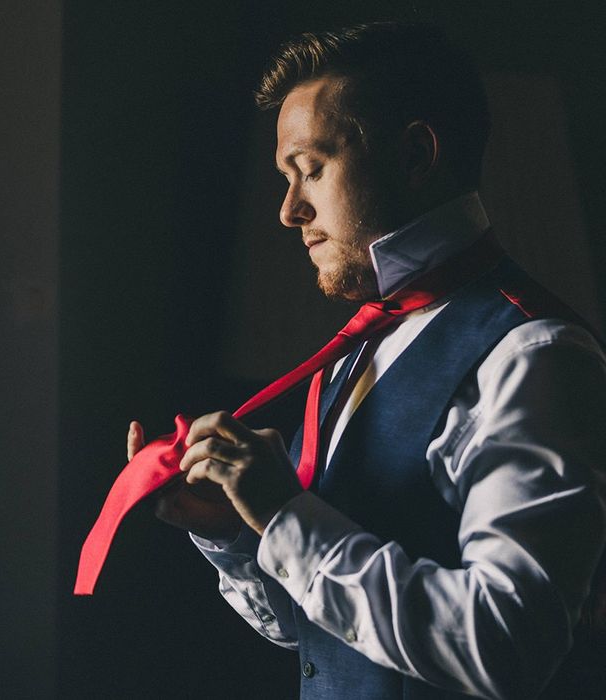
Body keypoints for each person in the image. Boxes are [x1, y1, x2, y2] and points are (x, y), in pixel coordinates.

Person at [127, 22, 606, 699]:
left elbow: (508, 644)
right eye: (286, 179)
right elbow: (320, 627)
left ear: (415, 156)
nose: (290, 211)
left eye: (312, 169)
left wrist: (286, 516)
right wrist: (239, 531)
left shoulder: (534, 354)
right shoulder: (358, 351)